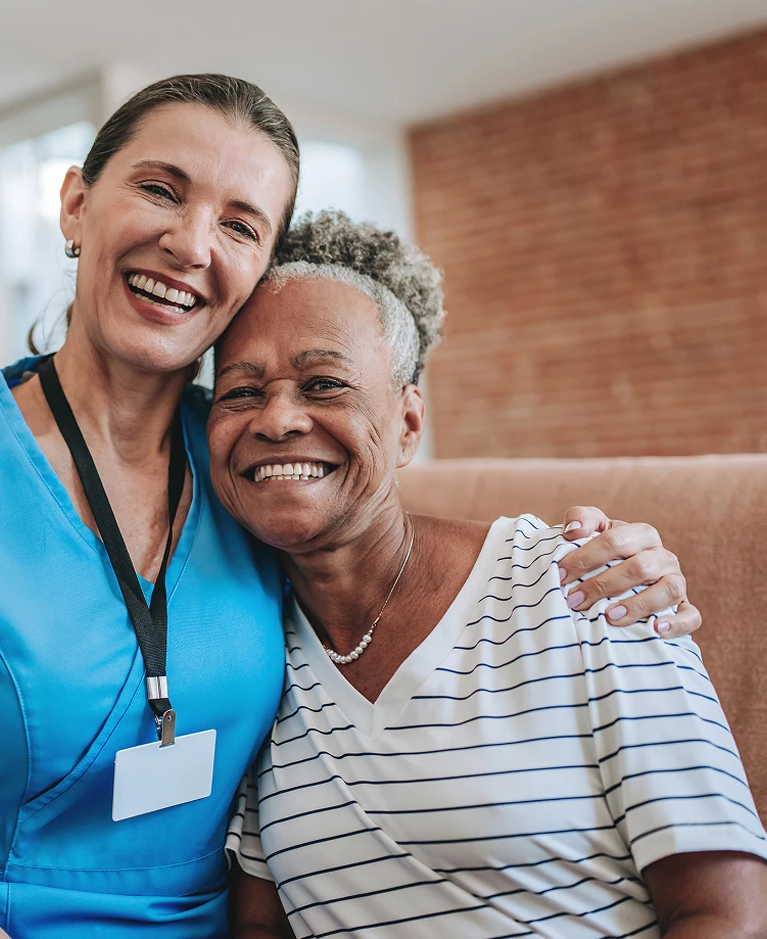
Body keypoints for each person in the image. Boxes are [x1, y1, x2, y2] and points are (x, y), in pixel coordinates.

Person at [0, 76, 702, 939]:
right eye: (160, 188)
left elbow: (398, 550)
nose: (191, 242)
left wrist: (610, 559)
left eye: (239, 223)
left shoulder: (254, 466)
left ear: (256, 270)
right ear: (75, 205)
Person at [216, 212, 767, 938]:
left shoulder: (584, 582)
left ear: (408, 422)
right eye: (240, 391)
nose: (278, 418)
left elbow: (724, 912)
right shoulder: (244, 648)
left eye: (322, 383)